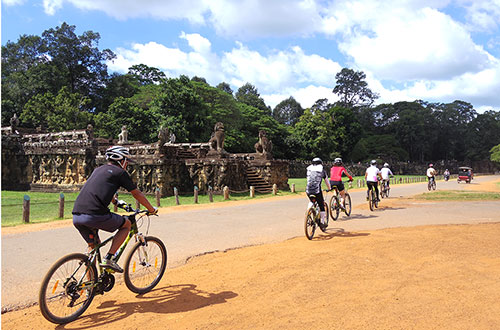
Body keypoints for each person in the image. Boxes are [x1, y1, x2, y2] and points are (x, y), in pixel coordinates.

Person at [72, 145, 157, 273]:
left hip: (77, 215)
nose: (127, 164)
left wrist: (116, 202)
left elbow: (102, 188)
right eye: (126, 161)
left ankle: (90, 286)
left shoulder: (98, 170)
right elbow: (136, 193)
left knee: (93, 246)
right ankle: (109, 258)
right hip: (95, 214)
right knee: (126, 225)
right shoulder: (120, 173)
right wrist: (151, 209)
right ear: (121, 160)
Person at [306, 157, 331, 230]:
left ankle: (308, 212)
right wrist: (329, 188)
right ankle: (322, 222)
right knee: (321, 205)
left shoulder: (309, 170)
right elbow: (327, 181)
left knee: (311, 201)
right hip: (317, 191)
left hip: (308, 190)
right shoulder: (322, 171)